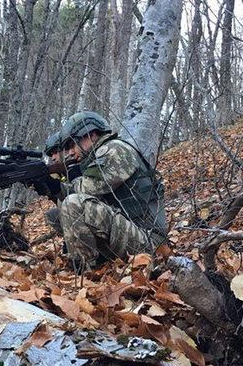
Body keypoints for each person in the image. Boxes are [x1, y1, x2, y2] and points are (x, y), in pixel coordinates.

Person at [57, 111, 168, 269]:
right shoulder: (101, 153)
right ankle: (96, 264)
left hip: (151, 242)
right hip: (133, 231)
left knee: (73, 204)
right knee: (57, 214)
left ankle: (85, 273)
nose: (70, 152)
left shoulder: (114, 149)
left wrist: (57, 185)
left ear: (91, 134)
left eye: (72, 144)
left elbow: (87, 190)